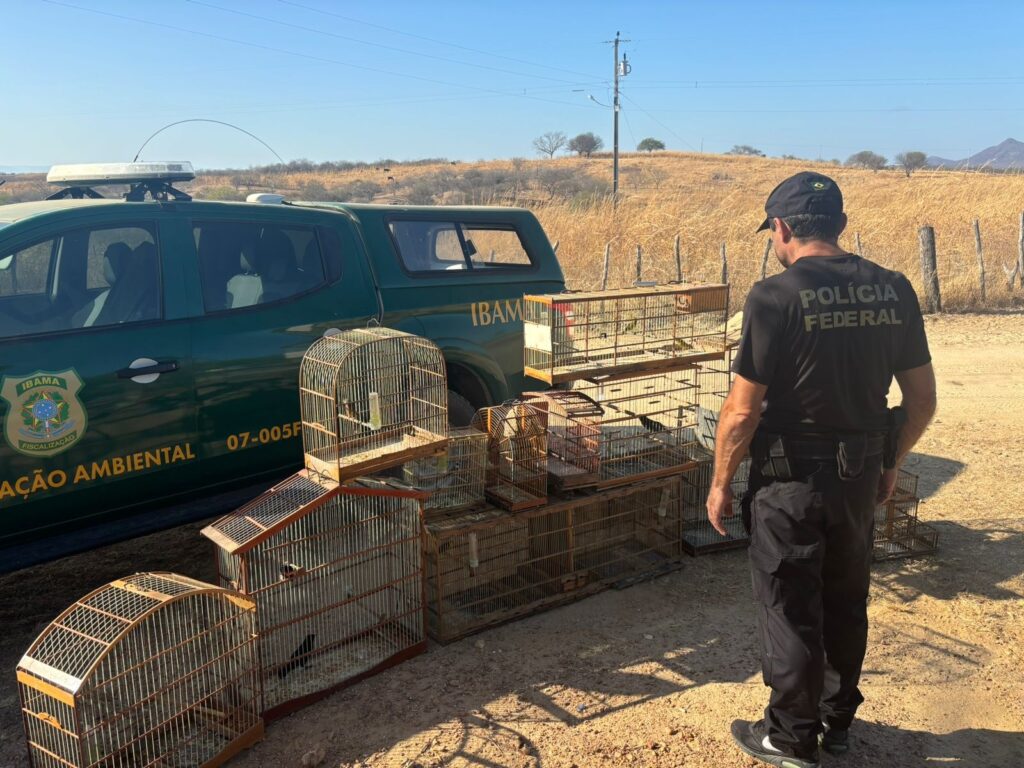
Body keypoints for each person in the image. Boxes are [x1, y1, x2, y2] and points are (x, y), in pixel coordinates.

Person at [705, 171, 937, 768]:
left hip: (790, 481)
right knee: (844, 598)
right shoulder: (895, 288)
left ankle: (788, 737)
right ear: (839, 224)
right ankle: (836, 725)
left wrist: (720, 481)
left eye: (773, 233)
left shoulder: (774, 296)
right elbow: (921, 401)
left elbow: (741, 411)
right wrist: (890, 462)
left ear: (782, 228)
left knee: (789, 604)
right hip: (859, 473)